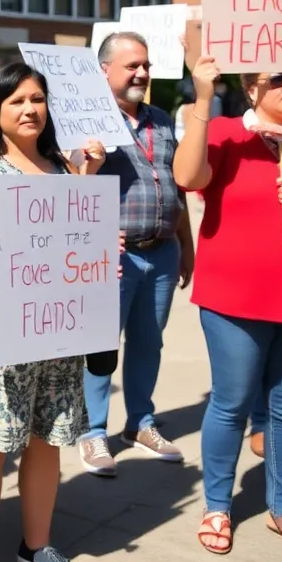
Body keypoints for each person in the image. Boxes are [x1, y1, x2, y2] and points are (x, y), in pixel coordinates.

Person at [174, 52, 282, 560]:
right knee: (231, 404)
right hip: (235, 301)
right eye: (280, 77)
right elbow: (188, 176)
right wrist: (203, 97)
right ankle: (217, 506)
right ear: (252, 87)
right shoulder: (228, 133)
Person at [0, 63, 108, 562]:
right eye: (16, 100)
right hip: (0, 331)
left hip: (59, 329)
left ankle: (36, 547)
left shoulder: (63, 168)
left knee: (47, 441)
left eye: (37, 99)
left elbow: (74, 245)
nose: (30, 109)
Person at [77, 32, 195, 476]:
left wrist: (187, 246)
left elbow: (176, 185)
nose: (142, 73)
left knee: (150, 342)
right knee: (100, 346)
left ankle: (140, 423)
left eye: (145, 65)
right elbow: (71, 184)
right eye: (132, 66)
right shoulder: (86, 121)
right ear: (104, 70)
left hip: (163, 253)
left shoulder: (162, 119)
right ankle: (93, 432)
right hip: (111, 257)